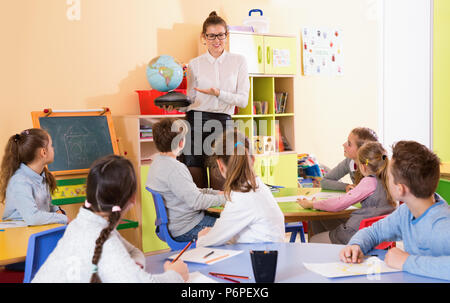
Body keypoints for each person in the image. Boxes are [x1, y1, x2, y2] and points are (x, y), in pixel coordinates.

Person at [32, 154, 188, 283]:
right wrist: (176, 275)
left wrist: (129, 270)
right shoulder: (104, 240)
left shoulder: (82, 225)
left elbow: (134, 252)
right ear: (133, 198)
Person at [339, 141, 450, 281]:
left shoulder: (442, 225)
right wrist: (356, 244)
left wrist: (406, 262)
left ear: (400, 189)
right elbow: (374, 232)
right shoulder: (406, 212)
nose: (385, 178)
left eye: (389, 176)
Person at [177, 11, 250, 190]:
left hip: (223, 124)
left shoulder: (239, 61)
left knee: (221, 182)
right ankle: (202, 219)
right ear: (204, 37)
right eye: (211, 36)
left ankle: (221, 219)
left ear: (227, 35)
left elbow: (243, 100)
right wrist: (177, 106)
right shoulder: (194, 64)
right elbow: (191, 98)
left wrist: (218, 93)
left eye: (221, 35)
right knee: (196, 183)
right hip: (195, 123)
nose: (216, 40)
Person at [196, 129, 285, 247]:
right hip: (268, 254)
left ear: (220, 165)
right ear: (252, 160)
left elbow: (206, 243)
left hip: (257, 258)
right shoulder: (257, 187)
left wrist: (202, 237)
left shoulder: (241, 196)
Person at [298, 141, 396, 244]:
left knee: (315, 239)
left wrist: (312, 204)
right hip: (381, 234)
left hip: (360, 235)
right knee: (323, 222)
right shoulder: (390, 180)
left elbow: (338, 204)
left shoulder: (369, 181)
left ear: (363, 166)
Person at [146, 118, 226, 242]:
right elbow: (197, 202)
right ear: (181, 143)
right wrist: (227, 198)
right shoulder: (175, 169)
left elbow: (190, 191)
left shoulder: (157, 163)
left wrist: (215, 193)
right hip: (187, 228)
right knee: (232, 225)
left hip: (173, 226)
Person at [1, 128, 68, 225]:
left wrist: (56, 210)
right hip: (17, 232)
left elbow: (44, 206)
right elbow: (33, 218)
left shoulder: (42, 176)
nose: (53, 149)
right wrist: (64, 219)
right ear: (44, 152)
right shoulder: (20, 181)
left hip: (35, 228)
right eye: (51, 146)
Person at [321, 127, 378, 192]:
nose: (344, 145)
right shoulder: (350, 161)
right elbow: (324, 181)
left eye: (349, 143)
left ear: (361, 150)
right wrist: (347, 186)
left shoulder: (374, 167)